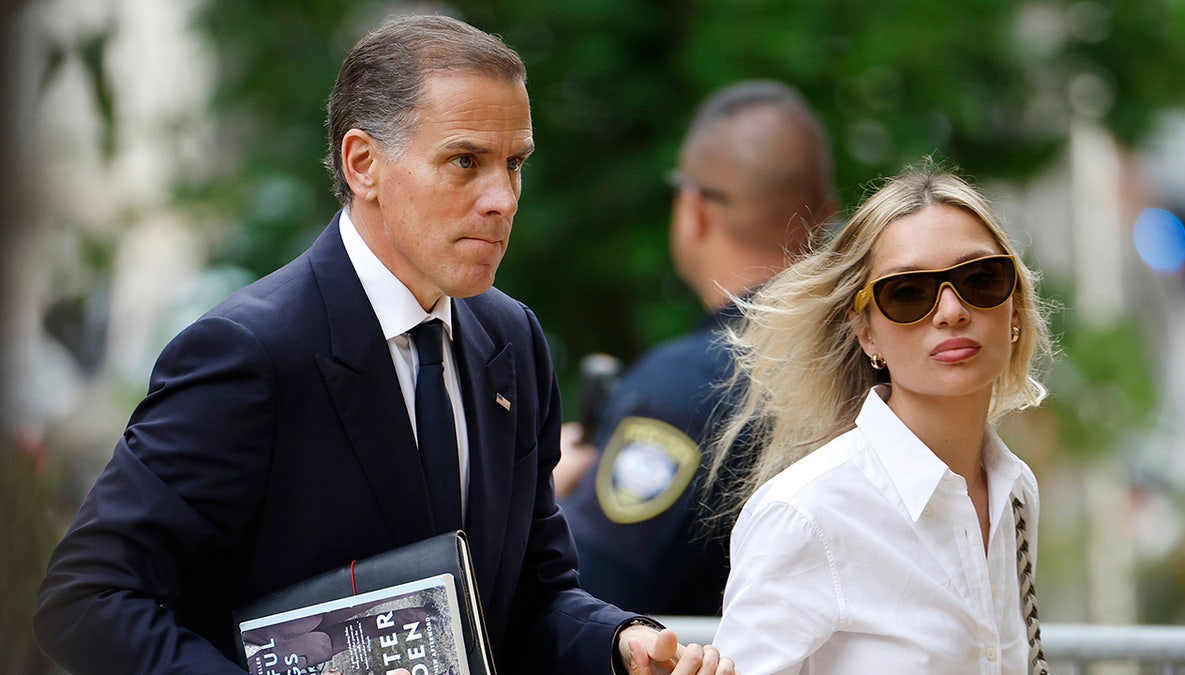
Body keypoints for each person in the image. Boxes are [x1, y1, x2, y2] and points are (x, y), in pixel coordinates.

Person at [32, 15, 735, 675]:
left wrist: (620, 642)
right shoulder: (250, 351)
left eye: (514, 163)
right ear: (364, 163)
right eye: (466, 161)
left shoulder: (511, 340)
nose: (503, 197)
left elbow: (530, 596)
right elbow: (87, 599)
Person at [708, 167, 1053, 674]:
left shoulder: (1015, 489)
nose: (952, 311)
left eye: (981, 279)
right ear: (866, 334)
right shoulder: (806, 514)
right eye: (908, 292)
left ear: (1015, 306)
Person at [557, 80, 837, 616]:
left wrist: (550, 501)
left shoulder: (686, 385)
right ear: (824, 215)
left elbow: (588, 595)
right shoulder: (877, 368)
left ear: (694, 208)